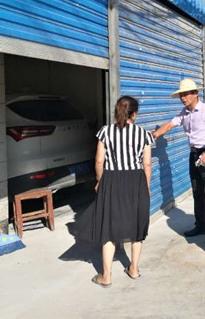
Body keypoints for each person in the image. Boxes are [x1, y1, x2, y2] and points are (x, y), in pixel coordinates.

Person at [79, 96, 154, 288]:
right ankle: (134, 269)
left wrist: (100, 181)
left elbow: (99, 160)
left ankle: (106, 276)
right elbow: (147, 163)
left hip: (111, 180)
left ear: (116, 112)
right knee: (137, 225)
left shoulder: (106, 132)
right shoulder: (143, 134)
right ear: (134, 114)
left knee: (108, 227)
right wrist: (146, 187)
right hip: (136, 181)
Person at [153, 79, 205, 244]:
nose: (182, 98)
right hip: (194, 155)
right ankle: (201, 225)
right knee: (197, 191)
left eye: (185, 94)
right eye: (181, 95)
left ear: (195, 94)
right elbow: (170, 124)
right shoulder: (184, 113)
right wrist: (155, 134)